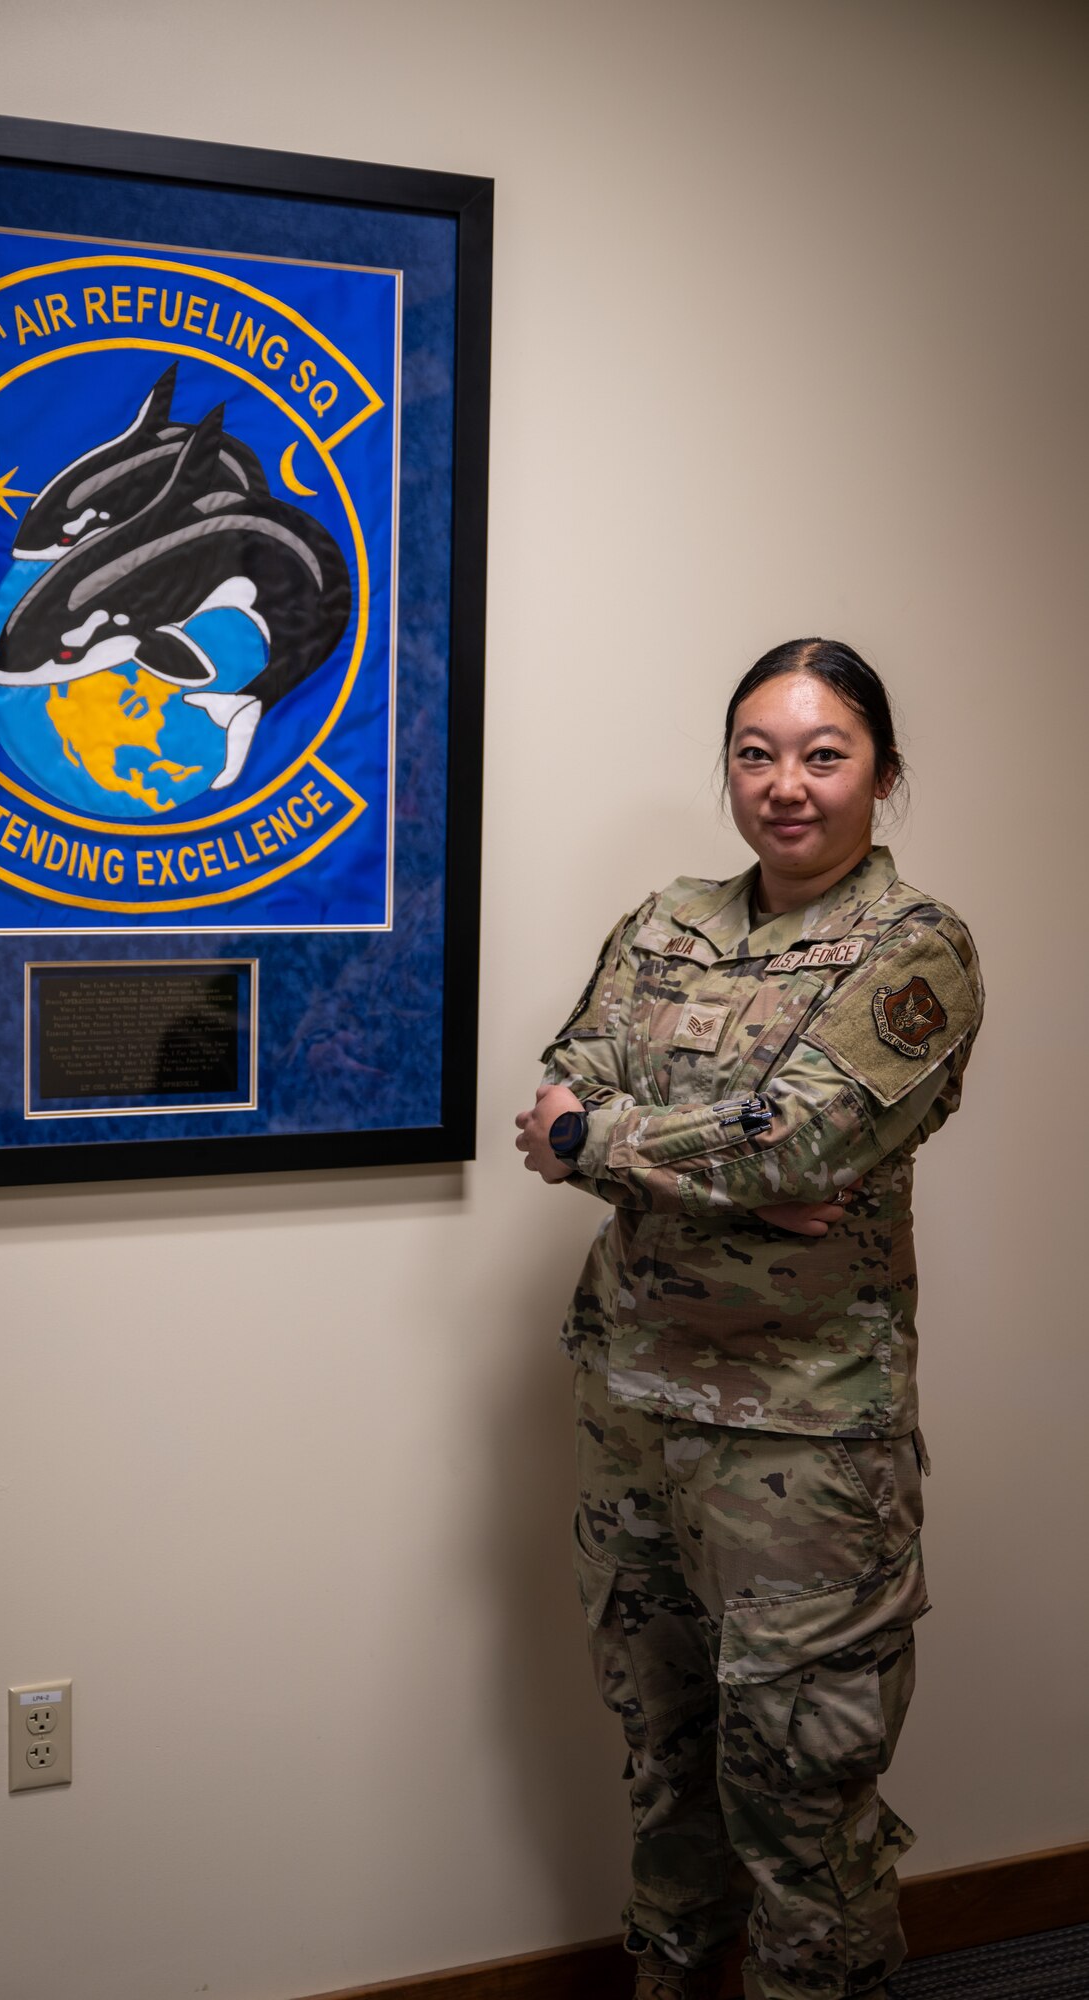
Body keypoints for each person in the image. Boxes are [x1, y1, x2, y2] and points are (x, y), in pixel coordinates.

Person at [515, 640, 983, 2000]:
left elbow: (800, 1146)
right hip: (636, 1422)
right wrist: (696, 1155)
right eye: (755, 754)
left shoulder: (916, 950)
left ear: (881, 776)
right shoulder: (661, 925)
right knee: (665, 1781)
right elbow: (558, 1097)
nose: (785, 785)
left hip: (805, 1453)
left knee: (800, 1807)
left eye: (822, 755)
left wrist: (619, 1142)